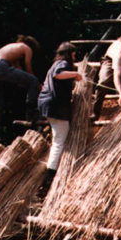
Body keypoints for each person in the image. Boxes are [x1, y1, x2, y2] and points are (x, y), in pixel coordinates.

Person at [0, 35, 41, 141]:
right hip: (0, 66)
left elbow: (19, 72)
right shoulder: (27, 48)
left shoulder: (14, 49)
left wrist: (29, 86)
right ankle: (31, 114)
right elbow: (28, 70)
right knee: (33, 80)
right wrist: (37, 86)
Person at [38, 42, 83, 173]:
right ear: (68, 54)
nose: (74, 59)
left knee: (57, 135)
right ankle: (51, 171)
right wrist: (75, 74)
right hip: (54, 105)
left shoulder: (55, 64)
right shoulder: (62, 64)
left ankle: (51, 166)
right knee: (60, 138)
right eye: (73, 56)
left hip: (47, 104)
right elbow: (58, 74)